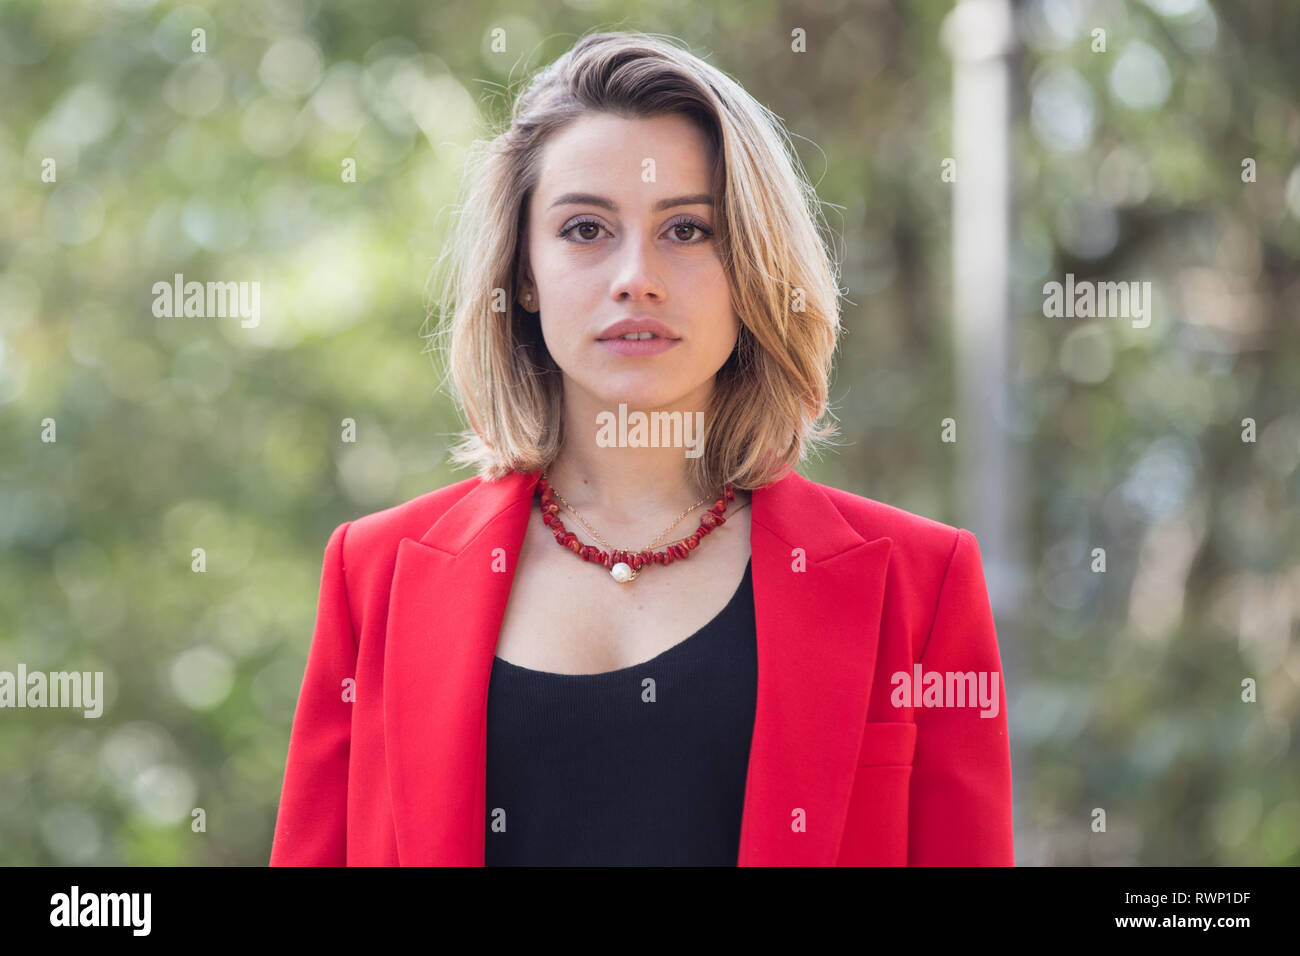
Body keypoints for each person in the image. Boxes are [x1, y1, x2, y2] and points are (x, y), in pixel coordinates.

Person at [269, 30, 1013, 867]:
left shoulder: (921, 586)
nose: (636, 276)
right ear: (523, 271)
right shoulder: (374, 578)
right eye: (585, 228)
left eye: (688, 230)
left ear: (754, 268)